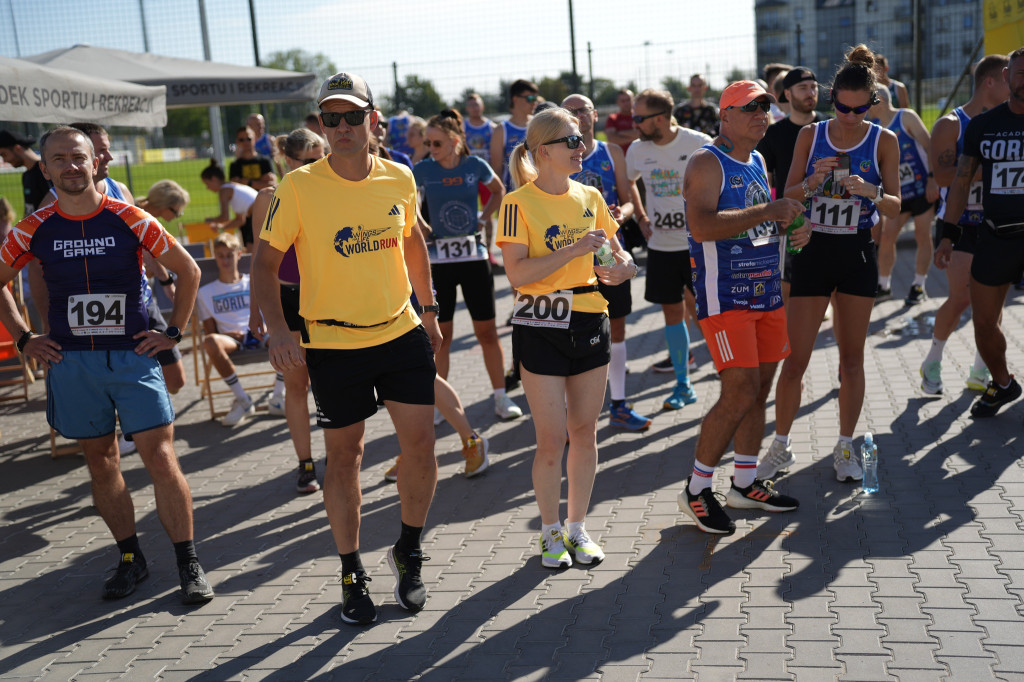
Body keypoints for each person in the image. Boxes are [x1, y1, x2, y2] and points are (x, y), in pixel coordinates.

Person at [252, 72, 442, 626]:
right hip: (332, 342)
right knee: (346, 457)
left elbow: (412, 241)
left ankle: (408, 550)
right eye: (329, 118)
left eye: (351, 116)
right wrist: (279, 331)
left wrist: (428, 311)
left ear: (372, 119)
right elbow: (264, 265)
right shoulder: (299, 186)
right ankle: (350, 569)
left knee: (422, 450)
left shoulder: (400, 176)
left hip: (400, 332)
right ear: (320, 125)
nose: (340, 127)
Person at [0, 125, 213, 604]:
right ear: (45, 167)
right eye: (59, 159)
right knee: (102, 462)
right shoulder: (32, 228)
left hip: (133, 356)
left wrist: (172, 333)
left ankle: (188, 560)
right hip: (73, 362)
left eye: (79, 157)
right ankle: (131, 558)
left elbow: (189, 270)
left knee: (161, 457)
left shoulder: (130, 217)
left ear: (96, 161)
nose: (71, 167)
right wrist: (24, 338)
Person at [497, 107, 638, 567]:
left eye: (580, 139)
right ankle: (549, 530)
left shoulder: (591, 194)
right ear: (543, 152)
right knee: (551, 439)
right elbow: (517, 272)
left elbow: (621, 254)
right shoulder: (517, 203)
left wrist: (625, 269)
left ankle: (577, 527)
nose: (581, 148)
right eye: (571, 141)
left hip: (589, 317)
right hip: (539, 324)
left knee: (584, 431)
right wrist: (574, 249)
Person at [769, 45, 901, 483]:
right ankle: (780, 446)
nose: (848, 115)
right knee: (796, 360)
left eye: (858, 108)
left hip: (856, 253)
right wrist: (810, 182)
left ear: (873, 103)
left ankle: (845, 447)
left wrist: (871, 193)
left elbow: (896, 207)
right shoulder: (812, 135)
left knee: (851, 360)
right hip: (813, 250)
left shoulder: (884, 140)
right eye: (841, 107)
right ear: (832, 101)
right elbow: (787, 196)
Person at [677, 80, 804, 535]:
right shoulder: (707, 161)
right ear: (725, 115)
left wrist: (789, 229)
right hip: (726, 297)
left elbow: (760, 223)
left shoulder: (757, 159)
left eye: (767, 106)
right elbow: (702, 225)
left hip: (766, 293)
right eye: (751, 106)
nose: (762, 113)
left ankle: (746, 483)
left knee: (759, 389)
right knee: (739, 391)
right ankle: (696, 489)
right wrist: (769, 213)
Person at [413, 110, 522, 421]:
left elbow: (500, 191)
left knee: (487, 332)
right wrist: (422, 226)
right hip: (438, 262)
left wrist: (483, 218)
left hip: (473, 258)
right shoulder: (422, 170)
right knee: (441, 336)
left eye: (436, 143)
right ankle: (439, 405)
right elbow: (408, 203)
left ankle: (501, 398)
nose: (430, 148)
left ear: (455, 142)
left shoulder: (474, 165)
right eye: (427, 143)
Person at [933, 47, 1024, 418]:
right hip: (996, 236)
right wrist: (947, 234)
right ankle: (1003, 383)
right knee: (984, 324)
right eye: (1020, 73)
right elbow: (960, 181)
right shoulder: (984, 127)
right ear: (1006, 77)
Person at [921, 54, 1010, 396]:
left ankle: (980, 368)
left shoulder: (1010, 122)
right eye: (1009, 79)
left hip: (997, 223)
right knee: (961, 299)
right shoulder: (951, 124)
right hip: (960, 223)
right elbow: (942, 176)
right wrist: (986, 168)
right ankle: (933, 358)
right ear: (990, 81)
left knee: (994, 304)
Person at [562, 93, 648, 431]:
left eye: (583, 110)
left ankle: (619, 404)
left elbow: (627, 201)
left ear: (595, 115)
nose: (578, 116)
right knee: (572, 333)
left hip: (610, 252)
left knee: (618, 328)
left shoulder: (611, 152)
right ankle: (573, 416)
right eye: (570, 112)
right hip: (570, 256)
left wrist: (621, 215)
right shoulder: (556, 156)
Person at [626, 89, 712, 409]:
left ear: (660, 118)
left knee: (709, 314)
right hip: (661, 249)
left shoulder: (698, 142)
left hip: (697, 245)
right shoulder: (637, 149)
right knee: (673, 316)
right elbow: (629, 182)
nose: (635, 124)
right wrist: (641, 215)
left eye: (639, 118)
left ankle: (728, 370)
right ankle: (683, 384)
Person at [249, 129, 324, 493]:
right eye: (310, 161)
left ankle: (340, 456)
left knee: (332, 381)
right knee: (297, 384)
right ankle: (305, 463)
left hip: (328, 296)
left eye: (321, 157)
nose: (319, 165)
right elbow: (258, 261)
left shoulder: (335, 188)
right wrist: (255, 312)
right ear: (287, 162)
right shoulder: (268, 198)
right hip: (288, 298)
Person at [756, 67, 827, 306]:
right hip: (793, 222)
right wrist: (774, 215)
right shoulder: (774, 134)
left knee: (830, 289)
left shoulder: (831, 127)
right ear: (787, 93)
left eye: (814, 87)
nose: (811, 92)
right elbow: (765, 181)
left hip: (830, 219)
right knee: (786, 288)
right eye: (803, 88)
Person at [869, 87, 939, 305]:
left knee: (922, 234)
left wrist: (932, 178)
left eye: (867, 102)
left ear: (878, 101)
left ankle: (918, 284)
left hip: (921, 189)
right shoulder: (873, 128)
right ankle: (884, 285)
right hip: (898, 193)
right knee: (888, 236)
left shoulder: (906, 117)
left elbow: (930, 146)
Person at [198, 232, 262, 427]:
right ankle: (243, 399)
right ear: (215, 256)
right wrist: (224, 335)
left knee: (291, 334)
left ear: (239, 254)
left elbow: (270, 314)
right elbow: (210, 332)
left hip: (259, 332)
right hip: (231, 340)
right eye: (220, 255)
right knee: (209, 342)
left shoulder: (254, 282)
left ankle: (278, 395)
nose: (225, 260)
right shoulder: (205, 292)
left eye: (229, 255)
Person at [0, 130, 53, 332]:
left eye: (4, 154)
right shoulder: (26, 176)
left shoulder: (46, 172)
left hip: (47, 252)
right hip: (32, 251)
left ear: (18, 148)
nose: (5, 160)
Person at [463, 93, 501, 262]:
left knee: (488, 214)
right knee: (467, 213)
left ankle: (489, 252)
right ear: (466, 108)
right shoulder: (463, 128)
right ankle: (469, 249)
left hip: (486, 177)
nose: (474, 108)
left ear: (482, 106)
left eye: (477, 104)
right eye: (471, 105)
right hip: (467, 177)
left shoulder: (492, 128)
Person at [491, 79, 539, 191]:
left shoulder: (539, 124)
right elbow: (497, 169)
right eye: (530, 98)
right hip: (514, 193)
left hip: (540, 193)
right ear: (515, 99)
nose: (534, 103)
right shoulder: (501, 130)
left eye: (535, 98)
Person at [201, 159, 259, 250]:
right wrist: (222, 227)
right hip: (259, 213)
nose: (208, 188)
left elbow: (225, 217)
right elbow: (240, 220)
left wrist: (210, 220)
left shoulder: (224, 191)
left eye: (207, 184)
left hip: (259, 214)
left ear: (214, 179)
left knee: (251, 249)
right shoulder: (231, 188)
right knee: (251, 247)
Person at [229, 126, 276, 191]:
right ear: (237, 141)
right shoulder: (235, 165)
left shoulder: (265, 161)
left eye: (248, 139)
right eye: (241, 140)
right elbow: (234, 189)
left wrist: (248, 182)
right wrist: (260, 182)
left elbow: (272, 185)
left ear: (255, 139)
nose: (245, 142)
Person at [604, 89, 639, 154]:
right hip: (620, 158)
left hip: (640, 157)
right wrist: (636, 138)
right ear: (617, 102)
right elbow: (612, 140)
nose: (626, 103)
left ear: (633, 100)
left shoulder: (640, 116)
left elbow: (642, 133)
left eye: (628, 100)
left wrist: (620, 133)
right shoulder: (612, 118)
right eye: (623, 101)